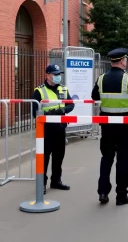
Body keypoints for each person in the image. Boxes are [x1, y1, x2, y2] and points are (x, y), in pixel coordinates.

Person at [91, 48, 128, 206]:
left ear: (111, 61)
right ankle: (121, 195)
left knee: (106, 158)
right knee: (123, 160)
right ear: (123, 61)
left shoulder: (101, 78)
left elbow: (94, 96)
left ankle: (103, 192)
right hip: (124, 125)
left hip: (107, 126)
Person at [32, 64, 75, 194]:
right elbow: (34, 111)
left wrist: (62, 110)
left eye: (59, 74)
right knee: (44, 157)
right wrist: (49, 115)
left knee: (59, 156)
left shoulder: (63, 89)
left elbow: (71, 104)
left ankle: (56, 181)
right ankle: (42, 183)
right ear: (48, 75)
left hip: (60, 127)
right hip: (46, 129)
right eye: (55, 74)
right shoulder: (39, 91)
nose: (58, 76)